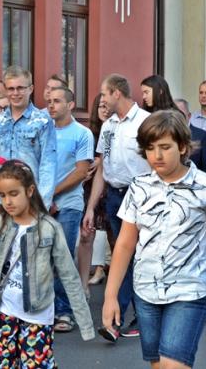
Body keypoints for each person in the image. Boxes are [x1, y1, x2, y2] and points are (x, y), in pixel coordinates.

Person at [102, 110, 206, 369]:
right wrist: (110, 296)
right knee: (158, 365)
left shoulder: (205, 186)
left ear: (183, 147)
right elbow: (124, 244)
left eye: (165, 147)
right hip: (146, 290)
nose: (157, 155)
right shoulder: (139, 186)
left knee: (173, 365)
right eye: (150, 148)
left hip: (189, 289)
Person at [0, 160, 94, 362]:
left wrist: (85, 323)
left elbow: (69, 276)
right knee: (1, 364)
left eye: (14, 194)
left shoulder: (49, 228)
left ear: (30, 191)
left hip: (38, 315)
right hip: (4, 311)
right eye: (2, 195)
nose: (8, 201)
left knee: (35, 365)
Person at [83, 74, 151, 337]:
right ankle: (122, 316)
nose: (101, 99)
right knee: (123, 256)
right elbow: (103, 167)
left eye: (104, 93)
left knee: (138, 257)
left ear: (117, 93)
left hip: (140, 195)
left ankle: (125, 317)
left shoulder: (145, 121)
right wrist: (91, 207)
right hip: (113, 196)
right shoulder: (109, 125)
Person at [0, 66, 56, 229]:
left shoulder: (43, 121)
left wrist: (42, 206)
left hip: (29, 200)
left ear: (31, 89)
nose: (15, 93)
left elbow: (47, 166)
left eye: (20, 88)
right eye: (11, 88)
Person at [47, 86, 94, 333]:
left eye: (57, 101)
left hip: (69, 204)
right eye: (49, 101)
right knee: (43, 259)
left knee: (62, 258)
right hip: (42, 204)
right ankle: (47, 310)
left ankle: (64, 311)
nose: (51, 105)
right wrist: (42, 198)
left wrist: (52, 194)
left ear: (70, 104)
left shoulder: (82, 133)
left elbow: (81, 171)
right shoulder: (43, 131)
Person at [77, 93, 111, 293]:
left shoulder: (115, 131)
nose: (104, 110)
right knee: (87, 234)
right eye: (101, 107)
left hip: (110, 188)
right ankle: (85, 282)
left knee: (111, 236)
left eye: (107, 106)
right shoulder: (89, 134)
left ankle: (104, 271)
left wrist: (101, 161)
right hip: (90, 188)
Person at [175, 98, 206, 173]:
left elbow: (205, 168)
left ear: (189, 116)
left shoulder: (202, 136)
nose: (177, 117)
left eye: (180, 114)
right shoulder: (165, 136)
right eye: (174, 114)